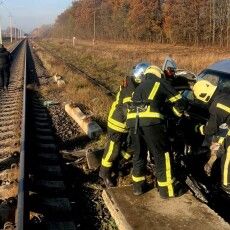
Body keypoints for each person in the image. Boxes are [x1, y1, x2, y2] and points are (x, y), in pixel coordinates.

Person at [127, 65, 188, 198]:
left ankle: (138, 187)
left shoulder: (141, 86)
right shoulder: (160, 82)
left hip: (133, 122)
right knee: (162, 154)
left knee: (139, 154)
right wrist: (178, 113)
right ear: (159, 74)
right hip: (151, 122)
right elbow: (180, 102)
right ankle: (167, 191)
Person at [99, 62, 150, 187]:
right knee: (113, 150)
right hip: (117, 123)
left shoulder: (133, 84)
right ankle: (104, 173)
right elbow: (129, 108)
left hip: (127, 125)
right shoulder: (130, 88)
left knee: (131, 147)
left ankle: (117, 165)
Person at [193, 80, 230, 194]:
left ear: (203, 96)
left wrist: (199, 128)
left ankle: (226, 186)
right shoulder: (223, 95)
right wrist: (218, 144)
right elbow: (224, 130)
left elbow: (211, 129)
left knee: (228, 158)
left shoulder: (216, 106)